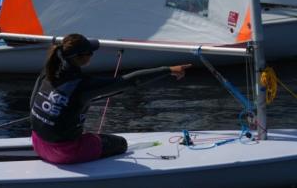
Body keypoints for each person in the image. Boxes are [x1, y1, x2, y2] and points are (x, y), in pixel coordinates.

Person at [30, 33, 191, 164]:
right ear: (81, 57)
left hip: (37, 143)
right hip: (65, 153)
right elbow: (129, 81)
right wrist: (168, 69)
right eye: (90, 53)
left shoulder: (48, 71)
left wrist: (53, 112)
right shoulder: (83, 86)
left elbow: (32, 105)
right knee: (121, 143)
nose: (92, 55)